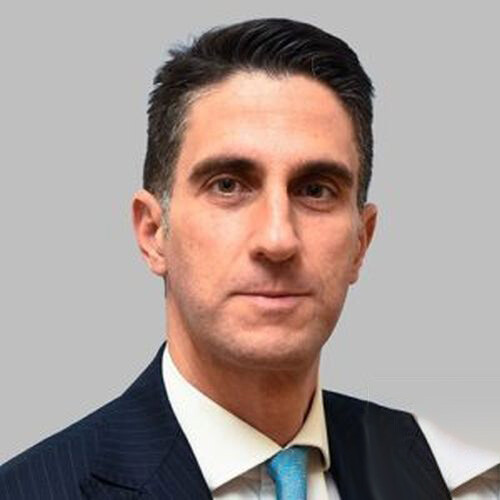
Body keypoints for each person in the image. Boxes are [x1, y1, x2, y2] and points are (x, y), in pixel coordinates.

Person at [0, 17, 498, 500]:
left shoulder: (455, 478)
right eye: (228, 185)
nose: (278, 239)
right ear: (153, 232)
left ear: (360, 243)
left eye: (316, 190)